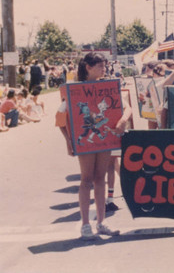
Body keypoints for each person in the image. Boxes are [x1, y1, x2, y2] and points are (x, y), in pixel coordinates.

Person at [56, 52, 132, 240]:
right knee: (86, 179)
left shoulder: (107, 86)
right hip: (86, 142)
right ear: (88, 67)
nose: (104, 69)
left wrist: (123, 120)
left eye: (105, 66)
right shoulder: (74, 90)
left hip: (104, 139)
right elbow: (59, 118)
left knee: (101, 178)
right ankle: (85, 224)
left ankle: (101, 221)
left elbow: (127, 107)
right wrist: (69, 140)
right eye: (100, 66)